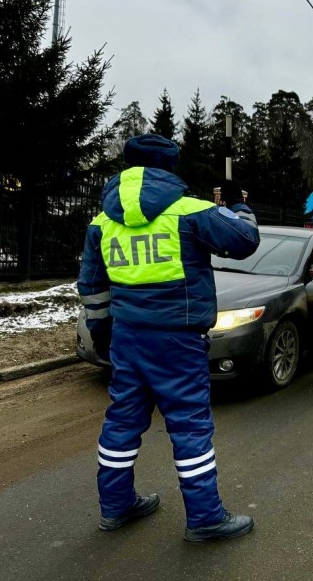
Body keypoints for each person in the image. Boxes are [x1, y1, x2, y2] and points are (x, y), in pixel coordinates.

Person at [77, 134, 260, 542]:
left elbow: (91, 286)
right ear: (170, 167)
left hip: (127, 337)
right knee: (190, 426)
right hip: (177, 339)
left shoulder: (102, 221)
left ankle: (115, 506)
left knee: (122, 422)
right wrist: (239, 206)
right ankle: (205, 518)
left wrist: (102, 332)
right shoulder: (190, 211)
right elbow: (245, 241)